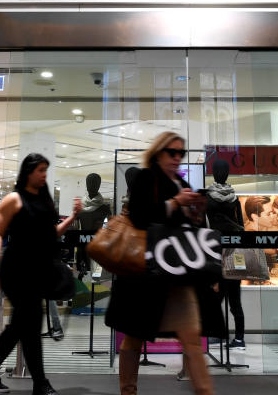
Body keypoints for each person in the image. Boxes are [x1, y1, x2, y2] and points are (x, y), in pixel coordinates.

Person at [106, 131, 222, 395]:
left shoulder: (179, 183)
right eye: (172, 152)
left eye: (181, 153)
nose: (177, 158)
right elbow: (139, 216)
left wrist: (194, 210)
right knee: (134, 338)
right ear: (158, 153)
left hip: (177, 276)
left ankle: (205, 391)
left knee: (191, 337)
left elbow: (184, 229)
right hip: (146, 275)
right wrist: (174, 204)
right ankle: (128, 391)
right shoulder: (146, 178)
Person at [0, 154, 81, 395]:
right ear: (28, 171)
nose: (44, 174)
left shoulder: (45, 201)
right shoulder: (14, 199)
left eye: (46, 169)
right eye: (40, 170)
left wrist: (73, 219)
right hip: (16, 270)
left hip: (38, 270)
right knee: (31, 324)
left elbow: (50, 235)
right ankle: (40, 382)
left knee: (20, 326)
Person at [204, 160, 246, 350]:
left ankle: (217, 335)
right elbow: (241, 225)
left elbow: (204, 225)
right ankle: (239, 338)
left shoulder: (207, 197)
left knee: (215, 297)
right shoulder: (234, 198)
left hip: (215, 251)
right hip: (234, 251)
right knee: (234, 298)